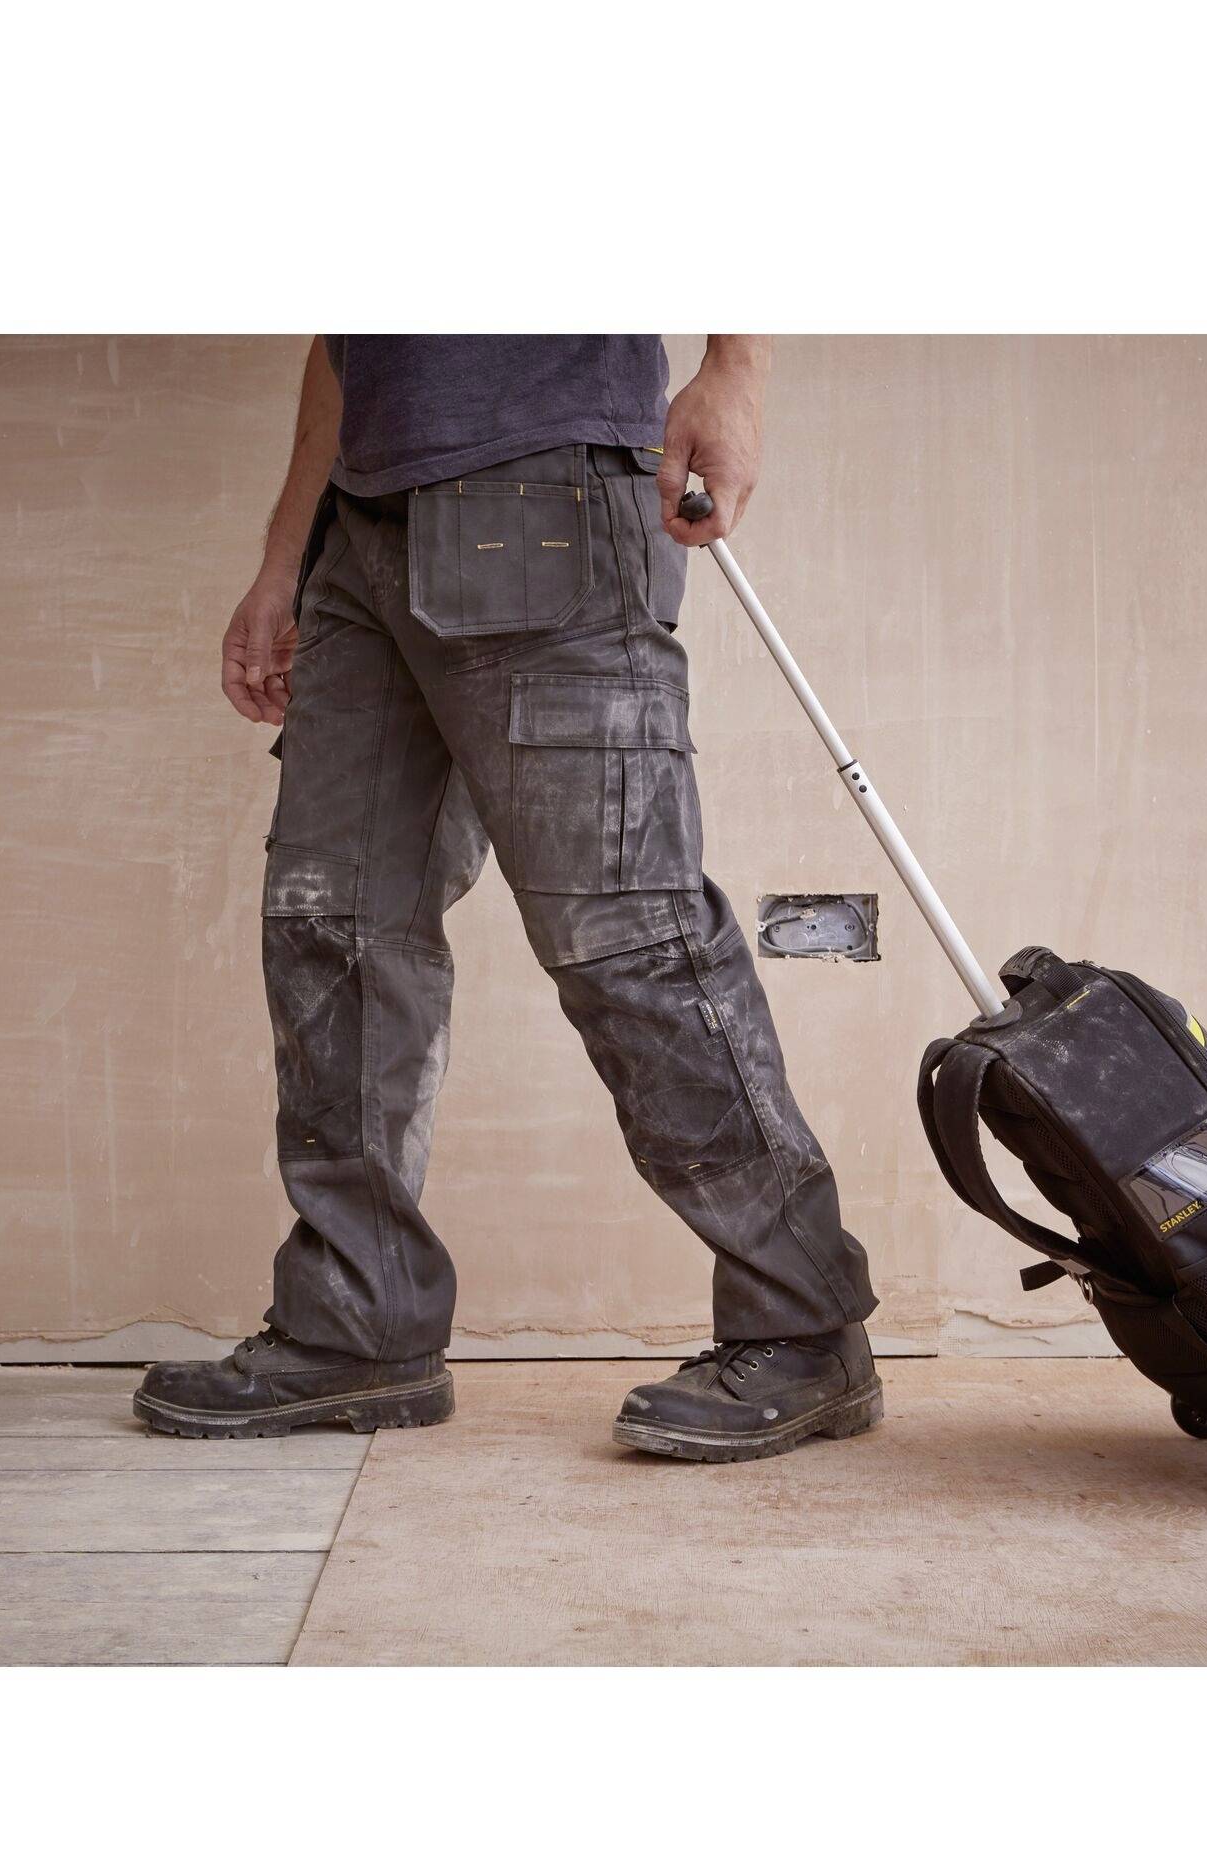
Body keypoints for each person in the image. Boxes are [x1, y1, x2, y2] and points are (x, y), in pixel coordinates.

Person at [133, 337, 880, 1461]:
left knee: (628, 931)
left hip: (550, 500)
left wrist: (738, 369)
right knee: (327, 927)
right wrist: (285, 557)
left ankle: (802, 1320)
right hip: (361, 530)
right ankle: (357, 1320)